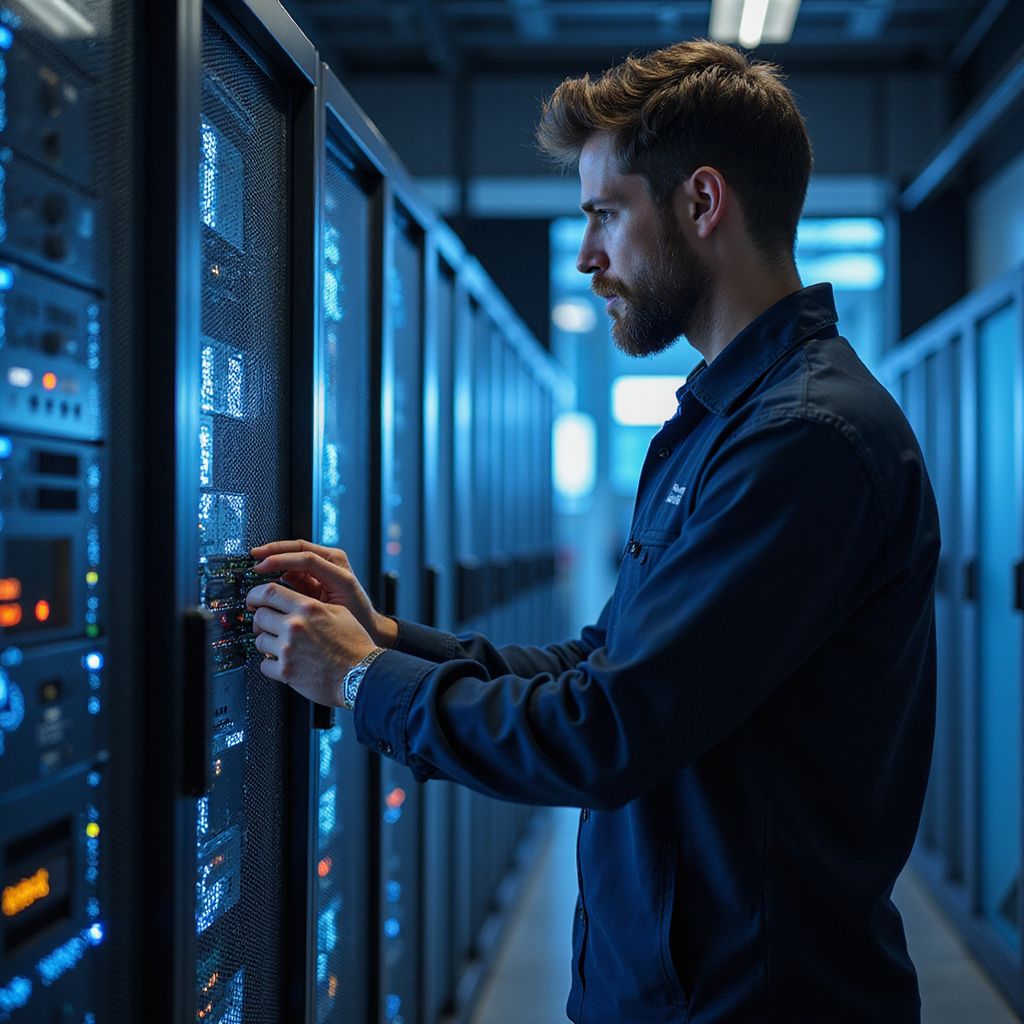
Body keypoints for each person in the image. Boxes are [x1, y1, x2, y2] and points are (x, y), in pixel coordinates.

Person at [246, 39, 939, 1024]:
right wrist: (388, 634)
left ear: (701, 204)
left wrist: (359, 682)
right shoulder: (723, 425)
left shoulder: (803, 439)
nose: (585, 256)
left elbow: (607, 733)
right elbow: (602, 663)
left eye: (606, 214)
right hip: (675, 984)